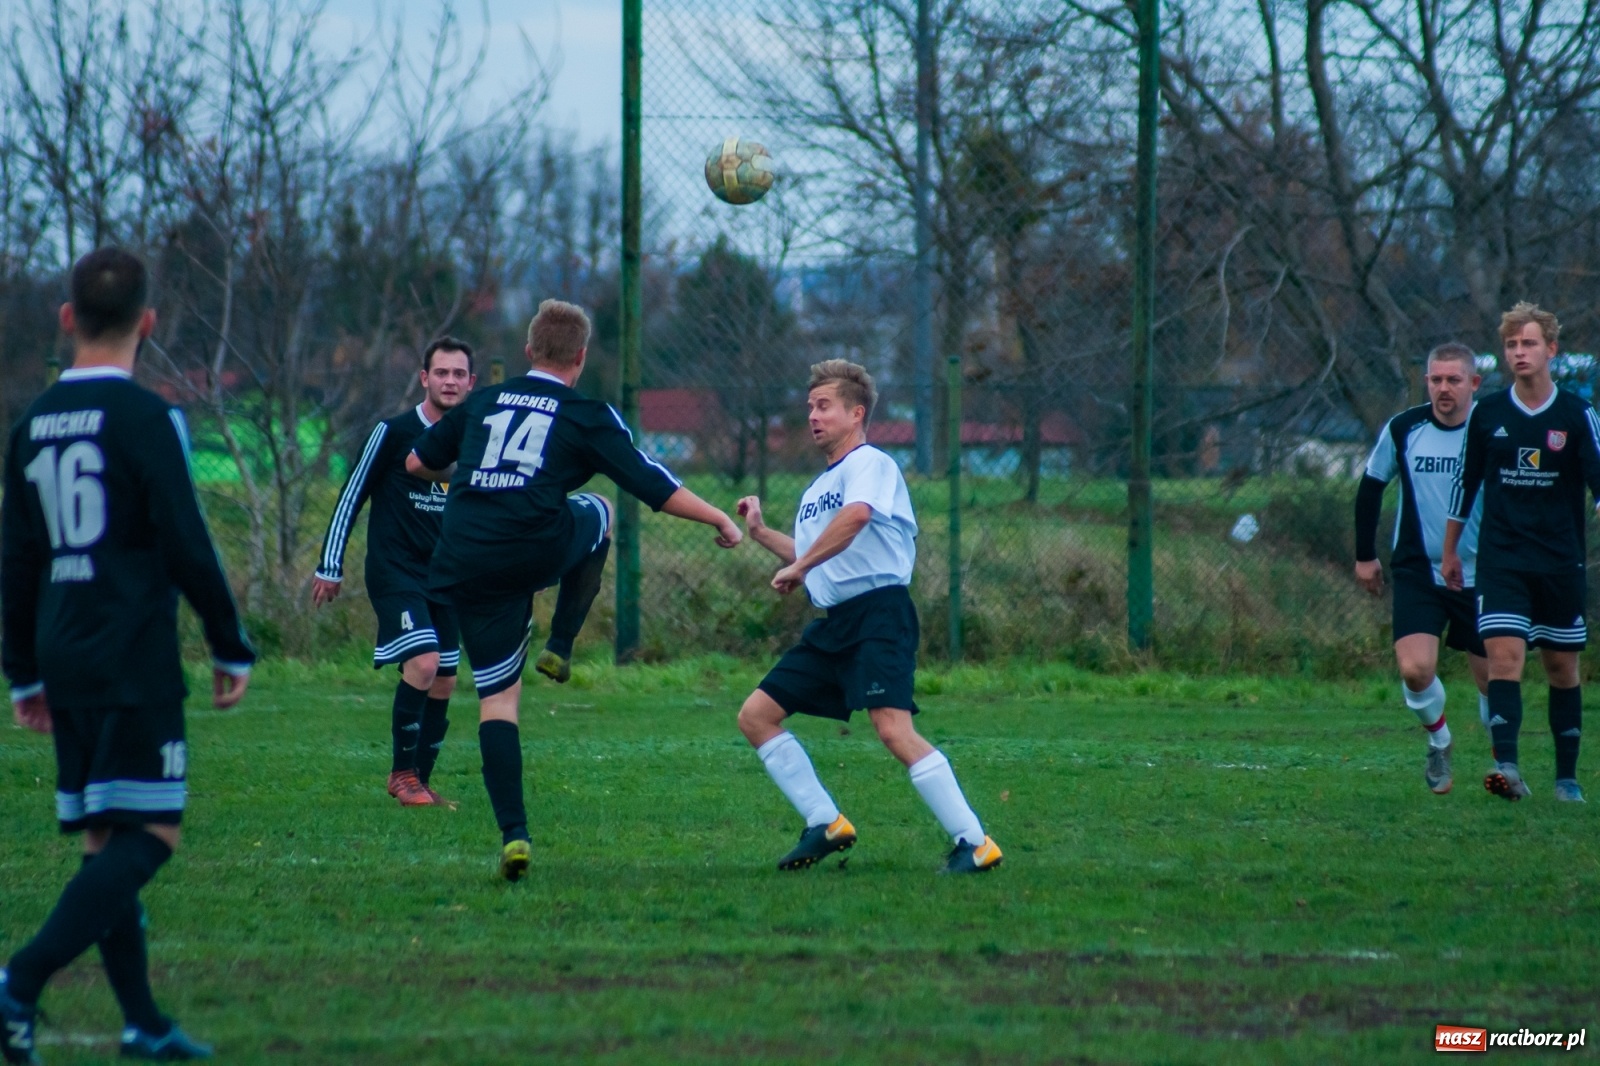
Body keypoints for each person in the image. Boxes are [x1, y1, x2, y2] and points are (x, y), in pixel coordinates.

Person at [0, 248, 254, 1063]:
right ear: (148, 323)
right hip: (131, 653)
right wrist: (228, 641)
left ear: (68, 318)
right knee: (153, 834)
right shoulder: (147, 418)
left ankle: (142, 1022)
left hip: (64, 649)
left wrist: (23, 670)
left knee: (105, 842)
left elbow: (15, 559)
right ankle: (18, 983)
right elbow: (186, 539)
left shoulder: (32, 422)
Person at [406, 299, 741, 880]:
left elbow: (417, 463)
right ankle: (561, 641)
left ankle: (515, 835)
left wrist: (471, 474)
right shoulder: (587, 413)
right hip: (530, 549)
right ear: (581, 358)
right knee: (600, 509)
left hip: (461, 558)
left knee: (497, 703)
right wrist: (718, 517)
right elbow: (652, 484)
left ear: (530, 351)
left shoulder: (482, 400)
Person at [734, 359, 1002, 874]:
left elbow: (855, 521)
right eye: (810, 406)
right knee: (756, 716)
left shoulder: (871, 464)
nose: (813, 415)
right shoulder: (817, 490)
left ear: (856, 413)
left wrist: (801, 567)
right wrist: (765, 534)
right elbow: (816, 548)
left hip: (879, 614)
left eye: (824, 405)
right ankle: (825, 823)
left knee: (893, 731)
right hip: (833, 625)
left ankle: (975, 841)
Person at [1444, 302, 1600, 802]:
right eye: (1511, 345)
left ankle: (1567, 779)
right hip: (1501, 559)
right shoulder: (1487, 413)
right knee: (1504, 658)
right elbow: (1464, 486)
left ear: (1551, 350)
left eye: (1528, 343)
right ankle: (1506, 770)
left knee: (1561, 667)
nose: (1519, 352)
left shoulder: (1577, 415)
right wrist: (1449, 552)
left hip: (1559, 561)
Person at [312, 338, 476, 806]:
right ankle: (402, 775)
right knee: (423, 663)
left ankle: (420, 781)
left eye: (458, 374)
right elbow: (351, 496)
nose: (449, 381)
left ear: (471, 382)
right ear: (424, 378)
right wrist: (330, 565)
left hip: (446, 576)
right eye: (441, 372)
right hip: (396, 570)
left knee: (445, 676)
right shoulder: (393, 431)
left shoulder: (474, 441)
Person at [1354, 343, 1490, 793]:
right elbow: (1372, 486)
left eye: (1454, 379)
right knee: (1414, 669)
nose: (1443, 388)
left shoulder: (1494, 429)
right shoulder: (1405, 428)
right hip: (1419, 570)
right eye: (1436, 379)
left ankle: (1503, 762)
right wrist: (1365, 555)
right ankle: (1440, 742)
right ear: (1426, 381)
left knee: (1495, 680)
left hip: (1484, 572)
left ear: (1474, 383)